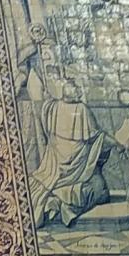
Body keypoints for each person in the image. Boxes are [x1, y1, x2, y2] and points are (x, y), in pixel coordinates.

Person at [29, 81, 111, 226]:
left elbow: (45, 115)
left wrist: (47, 96)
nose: (78, 89)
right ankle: (65, 207)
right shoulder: (81, 109)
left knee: (94, 189)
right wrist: (118, 144)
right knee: (99, 190)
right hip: (78, 168)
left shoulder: (53, 106)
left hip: (56, 169)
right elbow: (97, 136)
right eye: (76, 87)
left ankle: (56, 203)